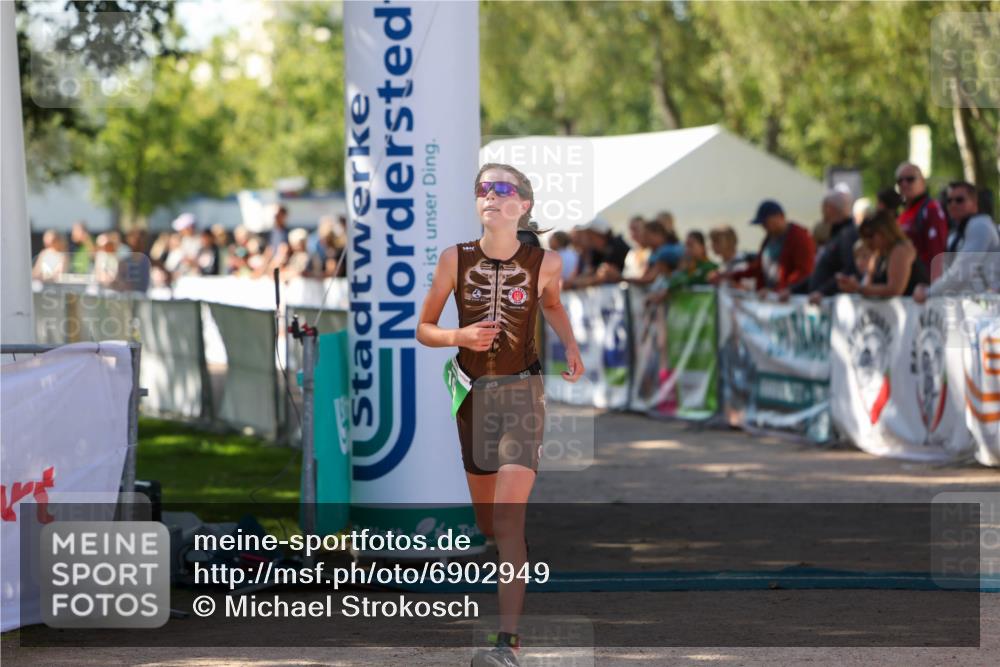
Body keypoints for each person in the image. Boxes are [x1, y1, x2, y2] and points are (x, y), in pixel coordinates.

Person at [416, 162, 583, 667]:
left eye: (502, 188)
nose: (490, 195)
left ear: (523, 205)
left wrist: (570, 346)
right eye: (483, 189)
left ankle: (506, 644)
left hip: (522, 392)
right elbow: (424, 328)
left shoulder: (545, 264)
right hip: (472, 395)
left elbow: (552, 304)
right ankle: (504, 539)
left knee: (509, 521)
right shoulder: (453, 259)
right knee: (488, 523)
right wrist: (458, 337)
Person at [914, 180, 1000, 303]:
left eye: (959, 200)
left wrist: (929, 292)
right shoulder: (956, 235)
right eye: (949, 201)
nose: (953, 204)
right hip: (973, 306)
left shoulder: (980, 225)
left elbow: (961, 271)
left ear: (974, 203)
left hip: (988, 307)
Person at [722, 199, 815, 293]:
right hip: (768, 296)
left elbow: (803, 272)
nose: (763, 227)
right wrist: (732, 275)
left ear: (779, 217)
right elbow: (758, 267)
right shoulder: (769, 238)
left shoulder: (800, 237)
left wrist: (779, 290)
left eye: (766, 222)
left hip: (789, 298)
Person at [836, 210, 927, 298]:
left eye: (870, 235)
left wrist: (858, 288)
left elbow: (894, 290)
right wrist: (854, 286)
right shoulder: (878, 255)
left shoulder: (901, 249)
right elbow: (867, 286)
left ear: (885, 231)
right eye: (864, 237)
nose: (867, 241)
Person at [790, 190, 860, 303]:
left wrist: (823, 292)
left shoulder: (847, 235)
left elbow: (849, 270)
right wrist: (792, 290)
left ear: (830, 208)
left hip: (834, 307)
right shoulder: (837, 235)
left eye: (823, 207)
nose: (822, 211)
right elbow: (820, 272)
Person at [894, 162, 948, 272]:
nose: (904, 184)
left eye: (910, 179)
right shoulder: (903, 213)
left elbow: (938, 253)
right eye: (900, 181)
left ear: (922, 181)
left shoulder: (931, 209)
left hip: (924, 282)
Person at [646, 231, 718, 305]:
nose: (687, 249)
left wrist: (669, 289)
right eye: (686, 245)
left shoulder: (710, 267)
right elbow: (676, 279)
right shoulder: (687, 269)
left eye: (691, 245)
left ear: (702, 246)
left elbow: (688, 280)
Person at [565, 217, 631, 287]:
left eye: (587, 233)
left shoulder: (618, 245)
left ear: (597, 233)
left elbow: (611, 276)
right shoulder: (594, 253)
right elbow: (589, 276)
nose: (584, 237)